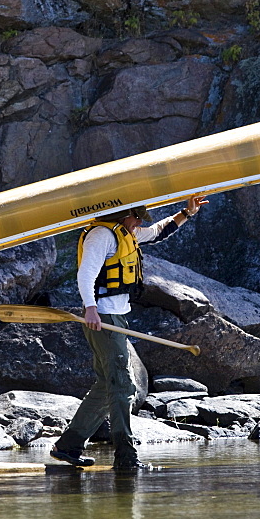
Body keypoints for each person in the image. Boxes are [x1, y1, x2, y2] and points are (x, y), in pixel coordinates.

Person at [50, 195, 208, 471]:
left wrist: (187, 213)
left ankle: (68, 447)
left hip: (116, 317)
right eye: (136, 218)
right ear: (123, 215)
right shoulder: (101, 236)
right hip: (103, 317)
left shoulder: (125, 232)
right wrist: (90, 309)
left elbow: (158, 232)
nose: (138, 224)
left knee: (105, 385)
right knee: (123, 386)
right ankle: (126, 457)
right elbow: (85, 274)